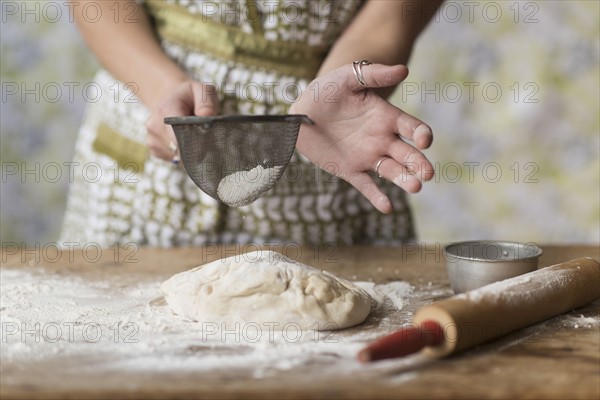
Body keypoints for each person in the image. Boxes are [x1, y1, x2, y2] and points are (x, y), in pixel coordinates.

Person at [59, 0, 441, 247]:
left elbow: (392, 14)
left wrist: (343, 81)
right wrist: (162, 88)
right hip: (152, 116)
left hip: (322, 137)